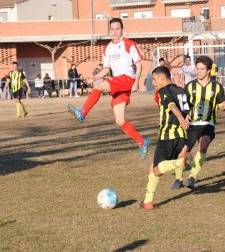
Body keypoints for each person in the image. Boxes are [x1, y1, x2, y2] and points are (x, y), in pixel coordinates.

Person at [67, 18, 150, 159]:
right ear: (110, 30)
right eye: (112, 29)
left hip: (126, 79)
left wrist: (137, 81)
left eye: (118, 28)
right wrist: (93, 78)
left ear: (122, 29)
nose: (115, 31)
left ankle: (82, 113)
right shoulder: (108, 48)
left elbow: (139, 63)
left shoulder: (129, 44)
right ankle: (142, 141)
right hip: (118, 83)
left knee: (99, 85)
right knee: (119, 121)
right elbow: (106, 69)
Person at [172, 55, 225, 190]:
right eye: (197, 68)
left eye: (202, 69)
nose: (199, 71)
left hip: (208, 124)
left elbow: (221, 105)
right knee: (182, 152)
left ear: (209, 70)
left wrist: (224, 107)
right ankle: (178, 179)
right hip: (191, 125)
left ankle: (192, 177)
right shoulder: (190, 86)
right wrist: (184, 115)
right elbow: (183, 105)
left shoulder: (217, 87)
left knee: (202, 146)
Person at [140, 66, 192, 210]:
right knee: (153, 168)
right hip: (181, 136)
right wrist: (185, 119)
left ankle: (179, 163)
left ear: (163, 78)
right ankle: (147, 202)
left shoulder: (164, 90)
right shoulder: (181, 90)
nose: (154, 83)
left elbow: (171, 105)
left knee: (155, 170)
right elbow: (189, 110)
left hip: (167, 136)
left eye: (155, 80)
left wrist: (181, 119)